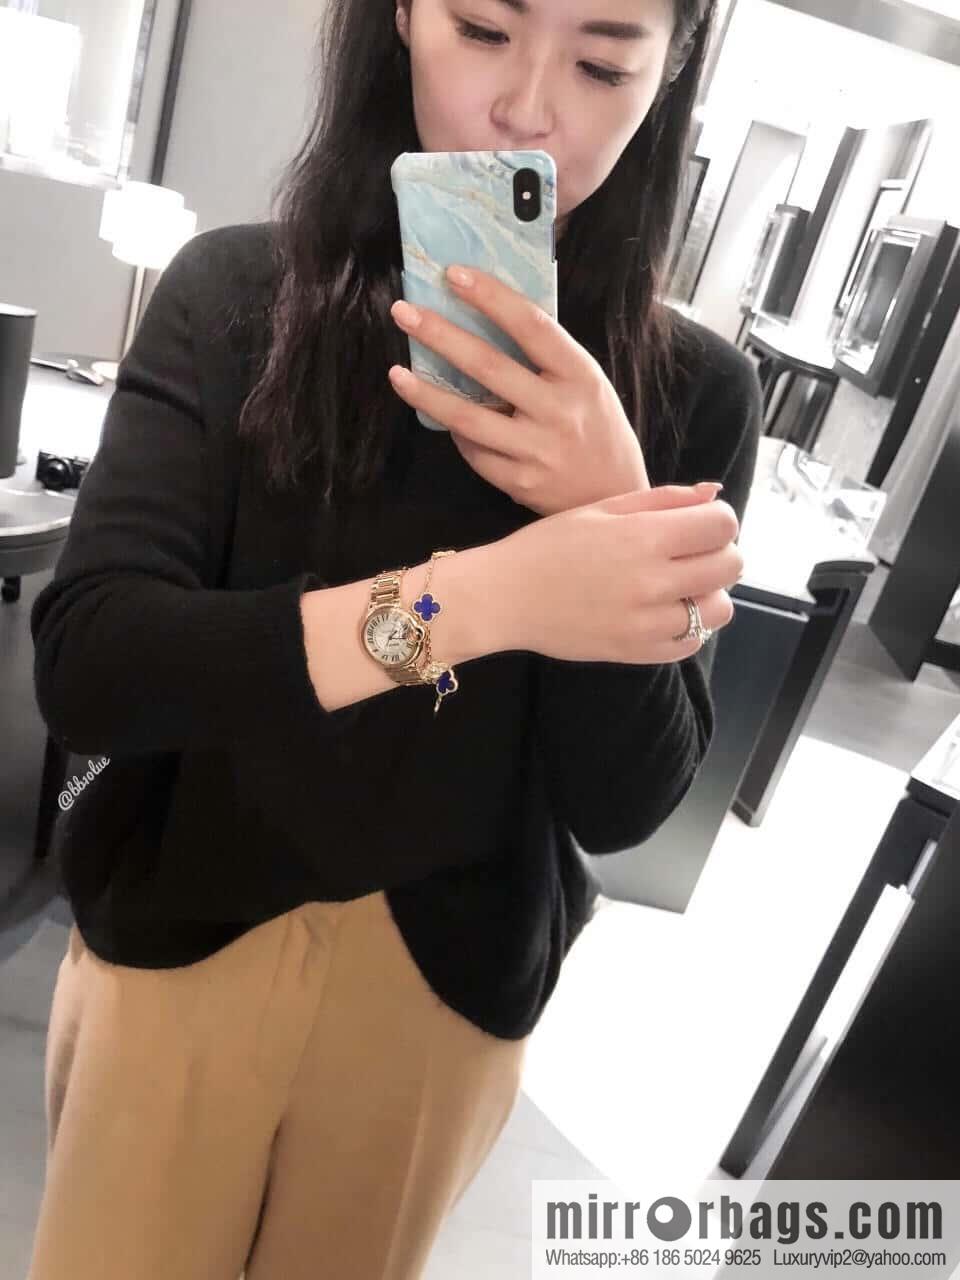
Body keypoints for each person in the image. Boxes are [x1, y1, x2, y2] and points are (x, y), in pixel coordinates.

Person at [27, 0, 760, 1276]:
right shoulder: (238, 297)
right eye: (483, 27)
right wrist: (481, 600)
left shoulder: (691, 392)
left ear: (674, 63)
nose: (529, 106)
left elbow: (626, 800)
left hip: (440, 990)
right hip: (187, 931)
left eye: (602, 62)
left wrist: (609, 499)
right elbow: (95, 664)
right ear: (407, 11)